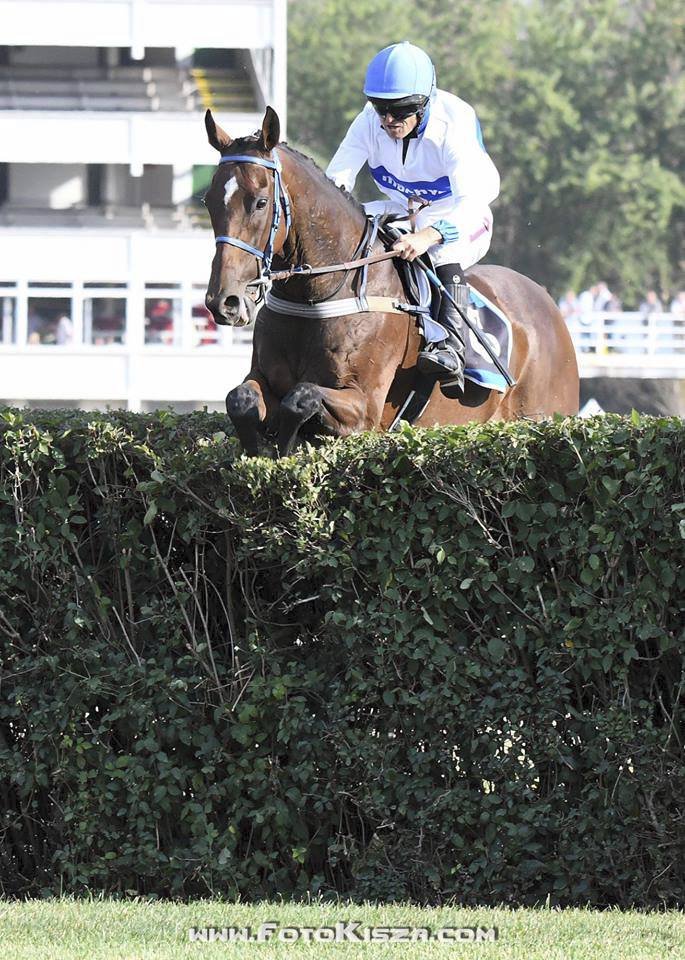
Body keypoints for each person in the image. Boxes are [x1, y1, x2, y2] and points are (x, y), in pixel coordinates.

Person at [326, 41, 500, 398]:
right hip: (402, 209)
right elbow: (335, 185)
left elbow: (474, 199)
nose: (389, 121)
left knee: (439, 253)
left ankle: (451, 347)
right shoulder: (367, 123)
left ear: (425, 102)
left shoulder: (454, 123)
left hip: (461, 213)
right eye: (381, 109)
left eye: (401, 110)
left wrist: (428, 236)